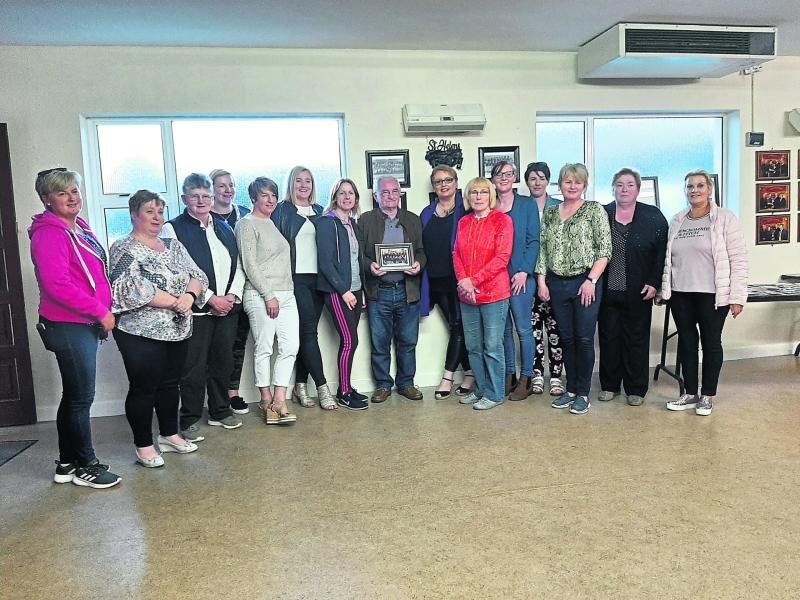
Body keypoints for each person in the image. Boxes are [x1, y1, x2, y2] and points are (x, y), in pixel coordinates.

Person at [29, 167, 121, 488]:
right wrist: (100, 311)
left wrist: (102, 310)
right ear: (46, 199)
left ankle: (66, 462)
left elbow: (93, 273)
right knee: (82, 397)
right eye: (62, 193)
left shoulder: (77, 226)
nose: (72, 198)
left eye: (75, 191)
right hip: (68, 325)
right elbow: (57, 285)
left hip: (84, 323)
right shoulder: (49, 233)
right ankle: (87, 465)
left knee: (73, 396)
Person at [109, 190, 208, 467]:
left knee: (170, 384)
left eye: (160, 212)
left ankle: (169, 434)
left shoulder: (173, 245)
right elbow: (127, 287)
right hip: (139, 332)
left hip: (177, 328)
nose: (156, 217)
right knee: (144, 387)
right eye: (149, 211)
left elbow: (197, 275)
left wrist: (188, 297)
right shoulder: (123, 247)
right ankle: (143, 445)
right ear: (134, 215)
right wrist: (176, 301)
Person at [161, 173, 246, 441]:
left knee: (223, 361)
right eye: (195, 196)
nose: (201, 201)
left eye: (206, 196)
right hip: (196, 311)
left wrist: (231, 296)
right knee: (193, 367)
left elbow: (238, 265)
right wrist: (210, 298)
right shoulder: (172, 229)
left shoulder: (224, 226)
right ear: (184, 198)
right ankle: (189, 419)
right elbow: (177, 272)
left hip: (227, 307)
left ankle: (221, 411)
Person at [658, 170, 748, 416]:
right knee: (687, 343)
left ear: (709, 189)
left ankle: (707, 395)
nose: (694, 190)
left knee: (711, 343)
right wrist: (664, 290)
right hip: (681, 294)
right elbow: (668, 260)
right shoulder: (677, 220)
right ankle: (689, 393)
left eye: (699, 185)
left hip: (713, 294)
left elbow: (738, 259)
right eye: (689, 187)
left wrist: (738, 297)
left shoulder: (725, 219)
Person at [535, 163, 612, 415]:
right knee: (566, 338)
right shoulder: (549, 213)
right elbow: (543, 250)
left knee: (583, 338)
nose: (572, 185)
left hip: (585, 283)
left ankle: (583, 393)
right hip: (557, 284)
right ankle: (570, 389)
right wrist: (542, 282)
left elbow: (604, 250)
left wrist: (591, 281)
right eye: (567, 181)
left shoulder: (593, 210)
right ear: (560, 184)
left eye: (577, 182)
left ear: (584, 186)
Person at [597, 168, 668, 406]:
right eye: (619, 185)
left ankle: (636, 388)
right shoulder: (602, 213)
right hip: (607, 290)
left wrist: (654, 282)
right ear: (613, 188)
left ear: (638, 189)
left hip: (639, 291)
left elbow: (662, 254)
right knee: (608, 338)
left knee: (636, 339)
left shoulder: (653, 216)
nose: (624, 189)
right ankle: (609, 385)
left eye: (629, 185)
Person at [271, 166, 336, 410]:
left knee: (304, 333)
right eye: (298, 180)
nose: (303, 185)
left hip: (319, 280)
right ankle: (322, 387)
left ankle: (299, 385)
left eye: (307, 180)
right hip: (295, 280)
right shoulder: (282, 211)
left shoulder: (321, 211)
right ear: (291, 183)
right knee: (309, 332)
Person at [235, 177, 299, 425]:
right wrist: (268, 295)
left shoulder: (272, 223)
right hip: (262, 295)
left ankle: (280, 400)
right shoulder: (246, 224)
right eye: (264, 195)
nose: (270, 199)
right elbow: (249, 264)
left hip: (287, 293)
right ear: (253, 198)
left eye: (273, 195)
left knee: (290, 347)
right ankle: (265, 398)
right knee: (264, 348)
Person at [360, 176, 426, 403]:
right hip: (379, 291)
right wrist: (369, 266)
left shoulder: (413, 219)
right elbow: (358, 255)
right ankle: (383, 385)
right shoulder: (365, 221)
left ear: (400, 194)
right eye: (384, 192)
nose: (390, 196)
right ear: (375, 196)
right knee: (380, 342)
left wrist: (419, 264)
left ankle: (406, 383)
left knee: (408, 340)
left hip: (407, 289)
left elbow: (421, 251)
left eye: (394, 191)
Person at [454, 177, 513, 411]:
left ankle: (495, 393)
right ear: (468, 197)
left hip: (494, 294)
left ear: (491, 196)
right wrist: (464, 282)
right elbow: (456, 254)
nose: (478, 196)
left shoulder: (502, 221)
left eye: (483, 192)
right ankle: (480, 388)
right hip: (467, 295)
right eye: (473, 192)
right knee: (474, 346)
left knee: (492, 346)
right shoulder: (463, 222)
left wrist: (473, 280)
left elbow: (502, 257)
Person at [419, 165, 474, 399]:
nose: (444, 184)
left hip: (459, 279)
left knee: (458, 326)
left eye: (448, 179)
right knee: (455, 325)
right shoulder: (426, 213)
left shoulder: (467, 208)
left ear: (456, 182)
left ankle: (447, 377)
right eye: (439, 181)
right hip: (435, 280)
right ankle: (470, 374)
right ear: (433, 186)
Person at [316, 178, 368, 410]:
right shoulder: (327, 223)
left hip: (356, 291)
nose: (347, 197)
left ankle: (345, 387)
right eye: (342, 193)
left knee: (351, 341)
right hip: (338, 292)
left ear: (356, 198)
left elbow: (357, 260)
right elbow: (326, 263)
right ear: (335, 197)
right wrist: (344, 291)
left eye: (351, 193)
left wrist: (361, 291)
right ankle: (344, 392)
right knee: (350, 340)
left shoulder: (353, 225)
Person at [491, 161, 540, 400]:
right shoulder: (490, 206)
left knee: (523, 328)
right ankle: (509, 374)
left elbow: (534, 241)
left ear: (515, 178)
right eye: (500, 174)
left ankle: (527, 377)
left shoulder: (527, 204)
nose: (504, 178)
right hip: (497, 278)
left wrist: (524, 271)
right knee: (503, 330)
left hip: (521, 277)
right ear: (493, 179)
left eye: (509, 174)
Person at [209, 169, 251, 415]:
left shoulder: (244, 214)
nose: (227, 190)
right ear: (212, 190)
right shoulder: (205, 216)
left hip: (244, 290)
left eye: (231, 185)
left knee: (238, 343)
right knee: (214, 346)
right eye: (221, 186)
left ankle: (232, 392)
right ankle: (215, 395)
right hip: (215, 293)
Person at [525, 162, 564, 397]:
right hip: (529, 278)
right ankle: (537, 373)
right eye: (532, 178)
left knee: (556, 328)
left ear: (548, 181)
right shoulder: (522, 207)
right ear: (527, 182)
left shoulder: (560, 207)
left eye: (541, 178)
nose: (537, 182)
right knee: (533, 330)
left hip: (556, 278)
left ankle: (557, 376)